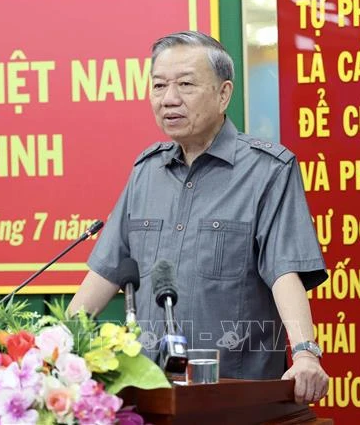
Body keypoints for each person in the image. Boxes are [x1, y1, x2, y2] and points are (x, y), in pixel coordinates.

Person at [68, 31, 329, 404]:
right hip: (149, 395)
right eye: (159, 85)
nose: (169, 99)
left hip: (235, 396)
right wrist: (56, 349)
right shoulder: (146, 171)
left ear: (223, 94)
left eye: (186, 85)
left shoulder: (267, 170)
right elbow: (106, 271)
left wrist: (305, 352)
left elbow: (284, 270)